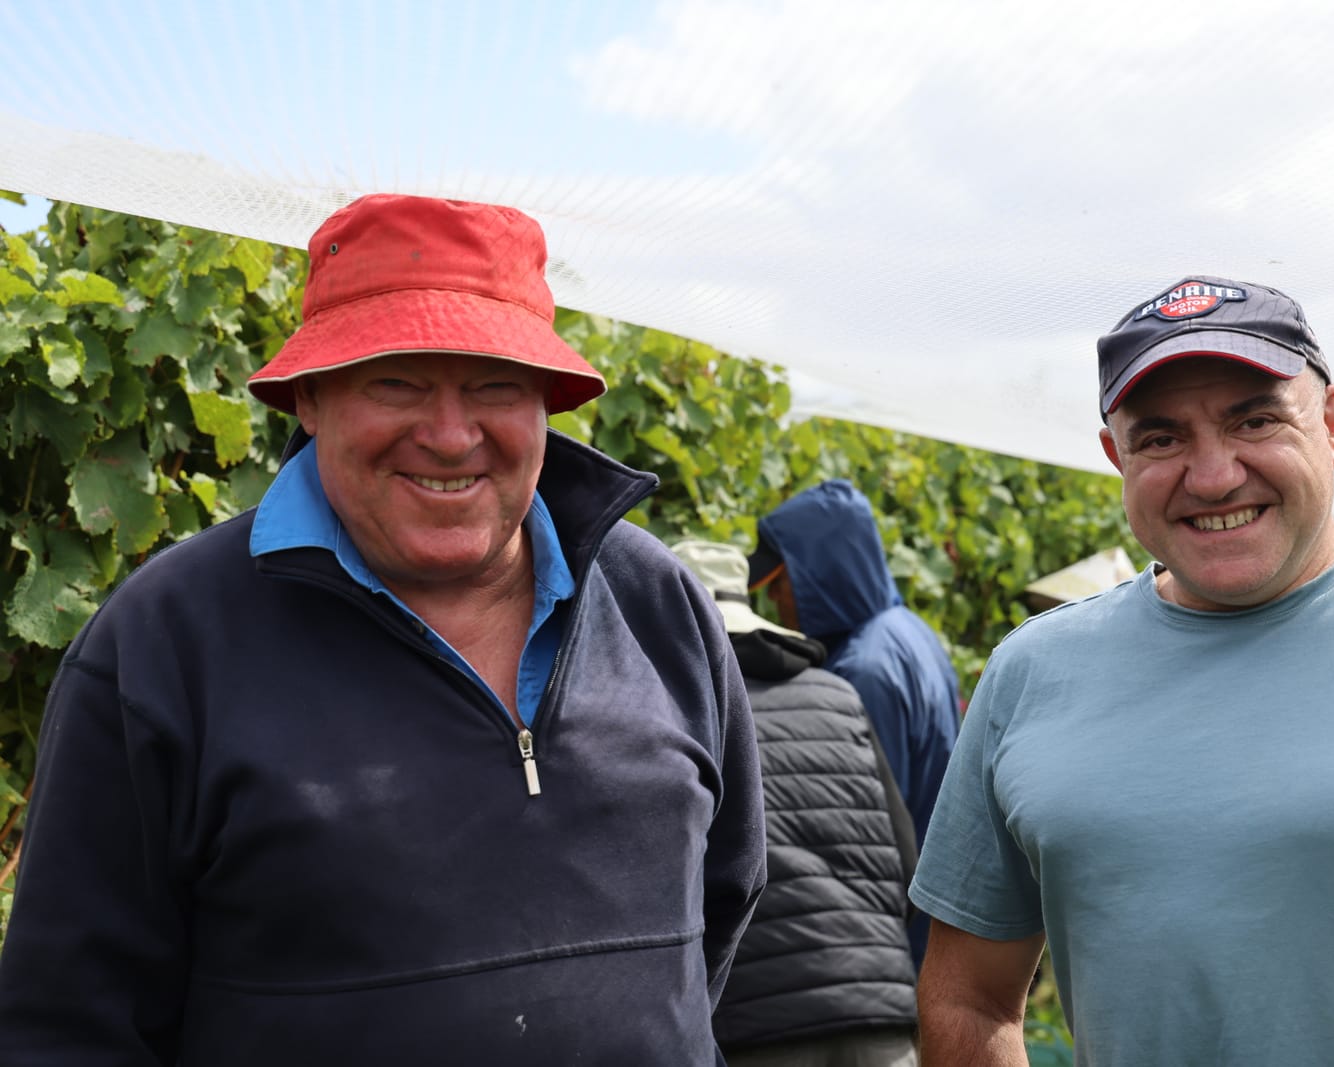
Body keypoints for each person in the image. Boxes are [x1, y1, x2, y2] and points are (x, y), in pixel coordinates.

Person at [0, 194, 766, 1066]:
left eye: (495, 385)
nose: (449, 434)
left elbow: (717, 912)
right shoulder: (164, 641)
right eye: (396, 380)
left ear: (546, 405)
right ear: (312, 399)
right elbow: (66, 1026)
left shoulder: (657, 603)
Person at [910, 275, 1334, 1066]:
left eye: (1255, 420)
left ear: (1333, 425)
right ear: (1116, 455)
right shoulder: (1031, 674)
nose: (1212, 476)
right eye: (1162, 438)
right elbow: (968, 995)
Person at [673, 539, 920, 1067]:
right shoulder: (839, 695)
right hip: (880, 1010)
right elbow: (908, 863)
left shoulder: (681, 712)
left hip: (757, 1024)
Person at [748, 480, 964, 965]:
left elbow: (864, 831)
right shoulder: (908, 633)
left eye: (782, 586)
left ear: (818, 578)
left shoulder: (862, 671)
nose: (778, 606)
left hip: (895, 942)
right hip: (933, 921)